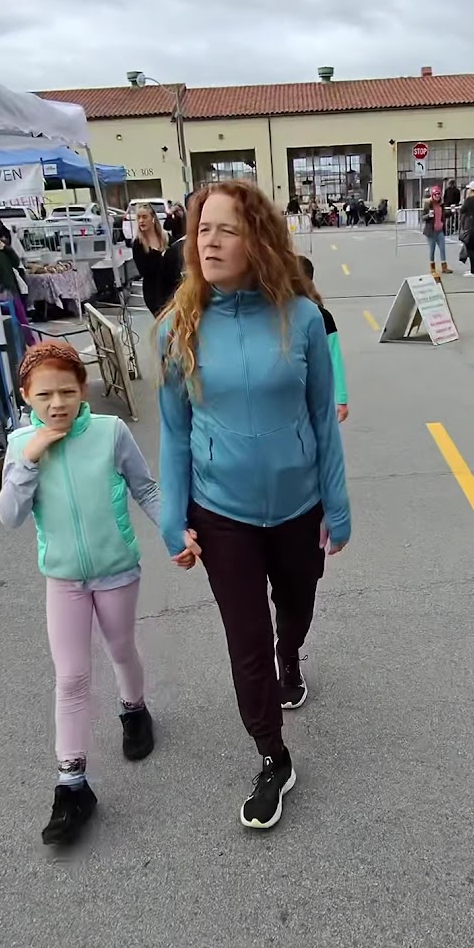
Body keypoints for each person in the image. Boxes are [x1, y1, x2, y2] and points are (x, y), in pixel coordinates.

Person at [157, 179, 350, 831]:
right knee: (246, 642)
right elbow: (174, 431)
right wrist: (172, 516)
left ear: (257, 239)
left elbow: (323, 416)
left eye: (225, 230)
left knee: (292, 612)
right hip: (222, 514)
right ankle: (273, 756)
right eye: (200, 229)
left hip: (298, 507)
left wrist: (337, 504)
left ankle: (290, 658)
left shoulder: (299, 318)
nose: (208, 241)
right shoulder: (177, 326)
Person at [0, 341, 159, 845]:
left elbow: (146, 489)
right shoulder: (22, 442)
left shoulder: (110, 432)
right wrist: (28, 458)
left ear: (82, 390)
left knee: (121, 649)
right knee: (70, 677)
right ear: (26, 396)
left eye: (67, 391)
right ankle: (72, 785)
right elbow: (10, 517)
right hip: (63, 579)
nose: (57, 403)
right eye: (44, 394)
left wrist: (179, 537)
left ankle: (134, 710)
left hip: (116, 571)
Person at [298, 255, 349, 423]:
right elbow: (335, 359)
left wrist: (341, 398)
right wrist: (341, 399)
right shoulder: (322, 315)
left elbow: (334, 358)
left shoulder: (280, 316)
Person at [0, 214, 36, 347]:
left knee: (21, 320)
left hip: (11, 290)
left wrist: (6, 249)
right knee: (4, 325)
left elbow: (15, 262)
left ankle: (32, 347)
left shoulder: (2, 243)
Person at [131, 203, 179, 316]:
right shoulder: (138, 244)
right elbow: (145, 271)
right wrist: (161, 256)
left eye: (144, 217)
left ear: (153, 218)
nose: (141, 221)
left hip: (172, 289)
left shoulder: (166, 238)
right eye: (138, 218)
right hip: (154, 292)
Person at [421, 184, 451, 277]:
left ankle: (444, 267)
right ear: (432, 195)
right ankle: (432, 267)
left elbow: (443, 215)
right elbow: (422, 217)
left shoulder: (441, 204)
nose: (437, 196)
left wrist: (451, 212)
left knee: (442, 249)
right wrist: (428, 216)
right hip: (431, 231)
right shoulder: (428, 204)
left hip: (440, 230)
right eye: (435, 194)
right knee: (432, 250)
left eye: (439, 194)